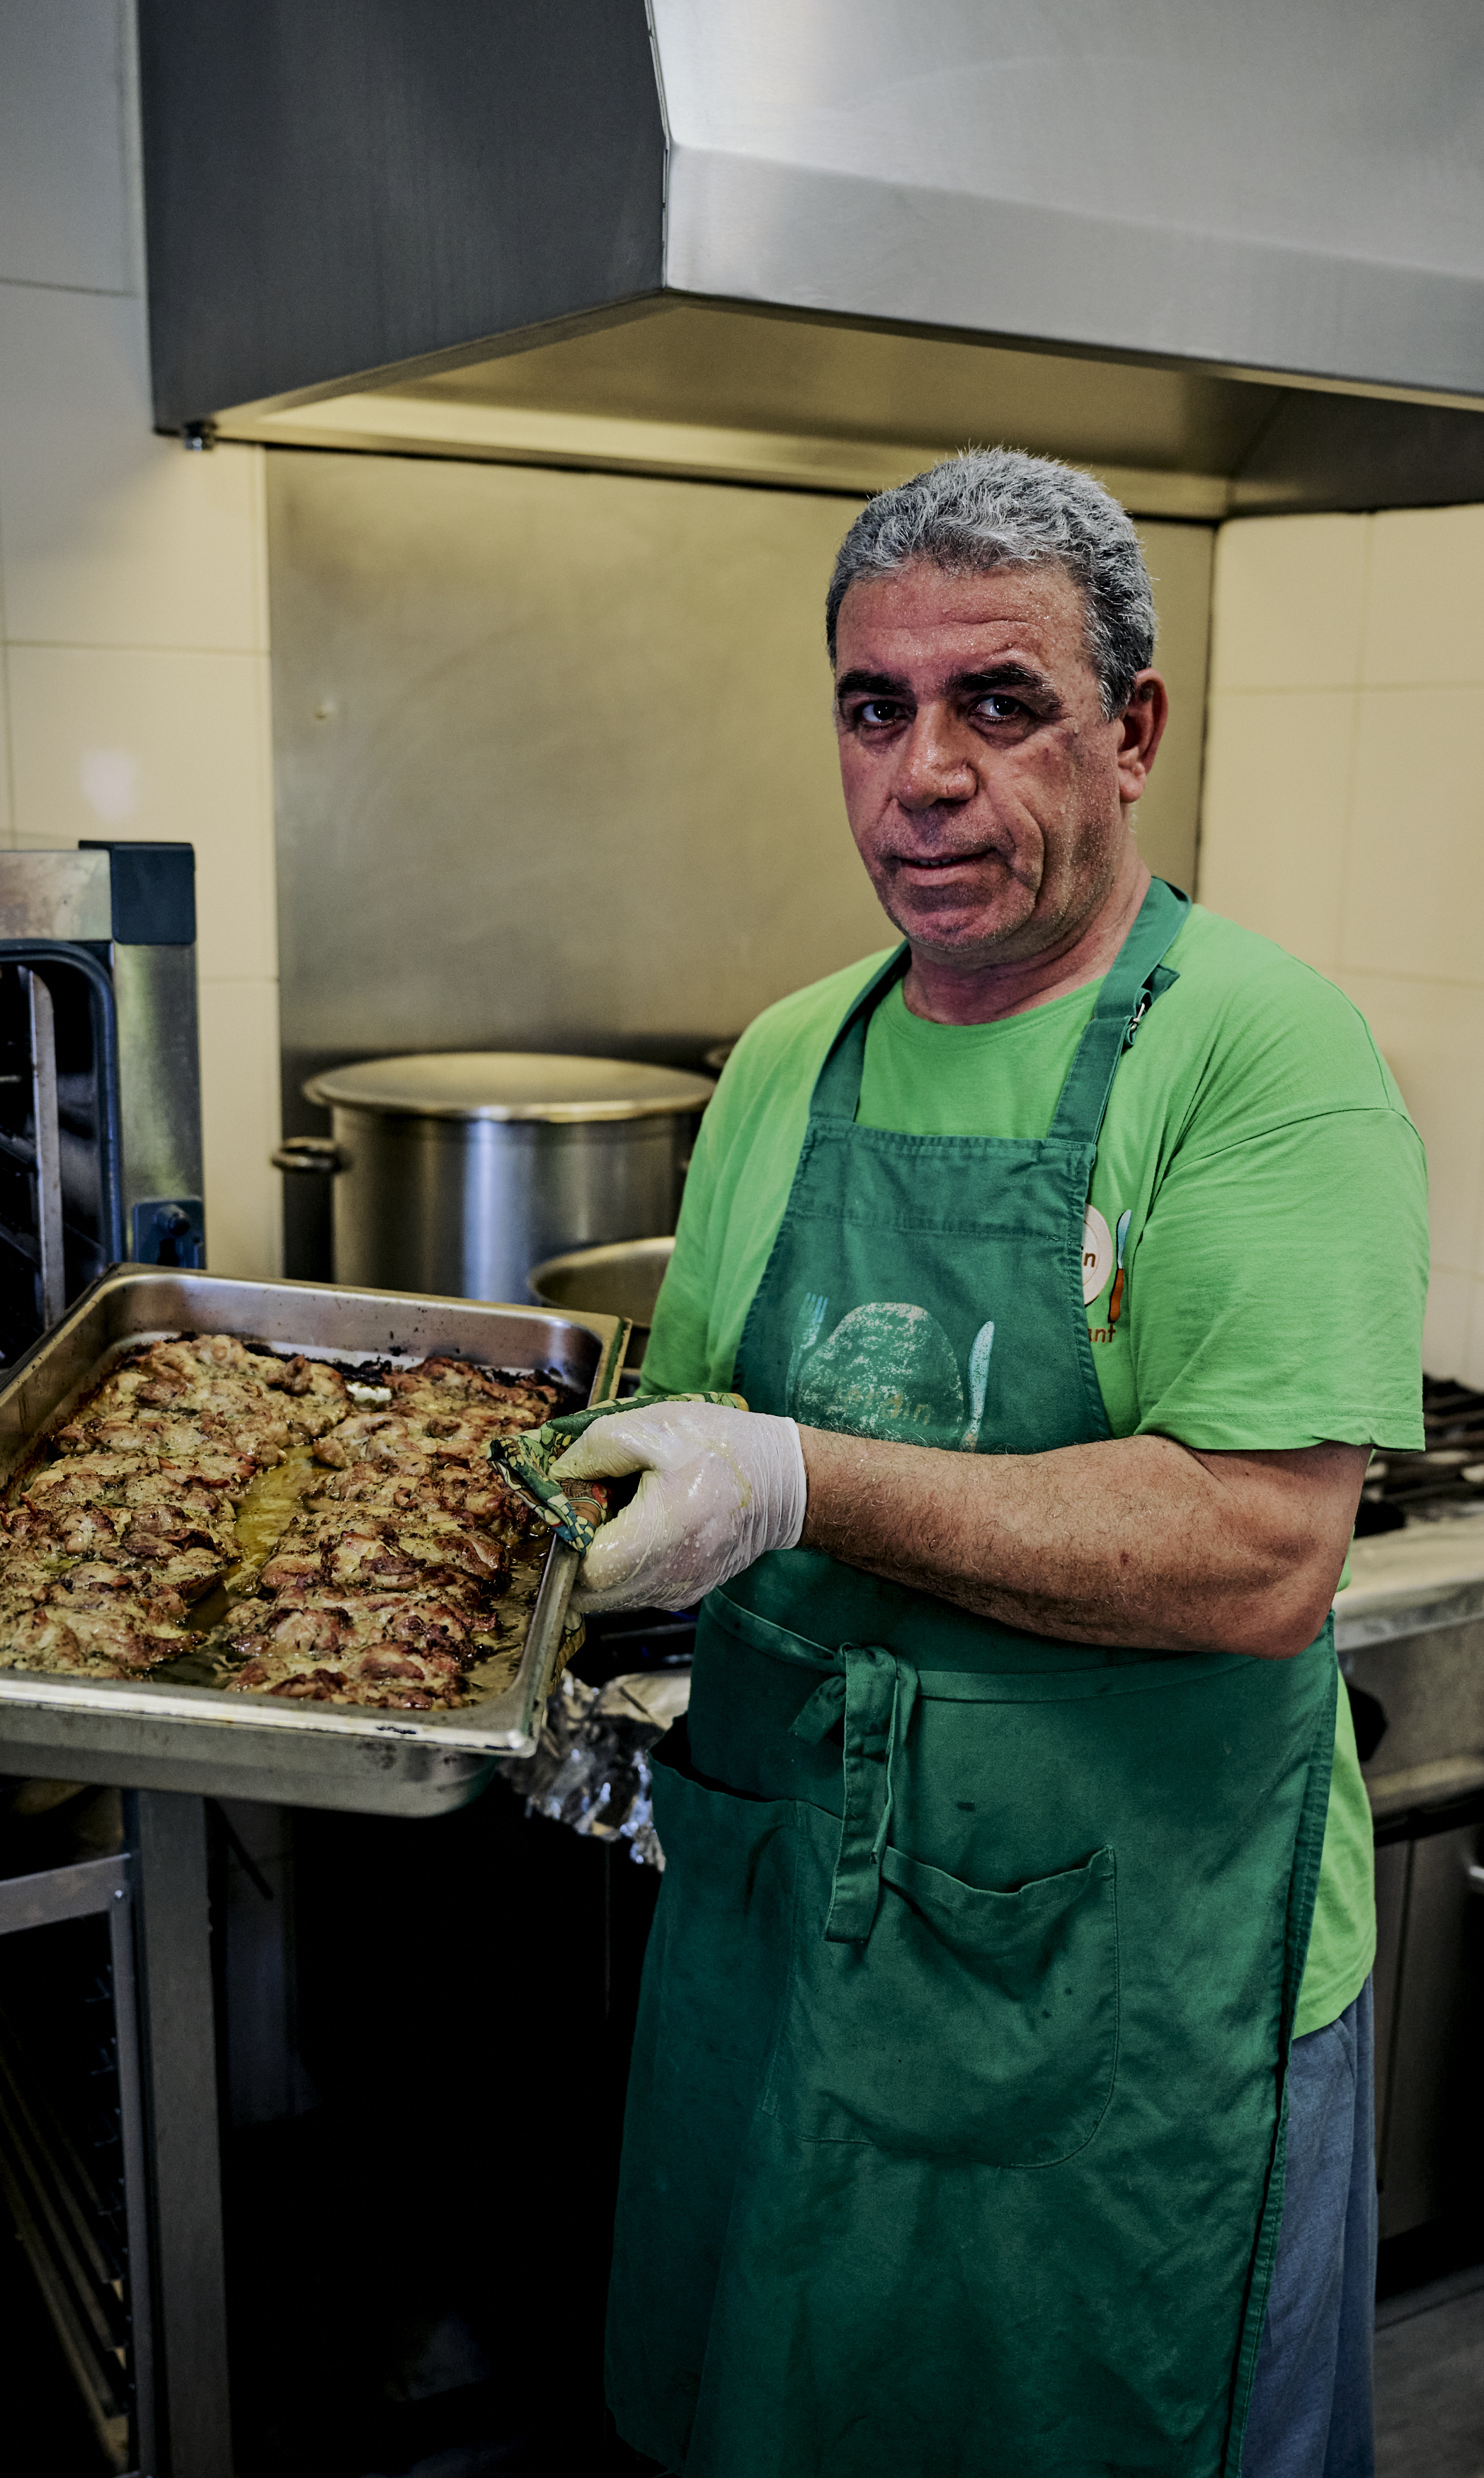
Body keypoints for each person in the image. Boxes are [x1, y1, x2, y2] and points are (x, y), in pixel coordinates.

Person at [552, 452, 1427, 2477]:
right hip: (800, 1947)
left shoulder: (1258, 1052)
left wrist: (800, 1480)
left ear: (1133, 730)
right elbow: (689, 1447)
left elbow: (1259, 1550)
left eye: (999, 703)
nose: (922, 776)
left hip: (1131, 2003)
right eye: (875, 708)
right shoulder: (788, 1057)